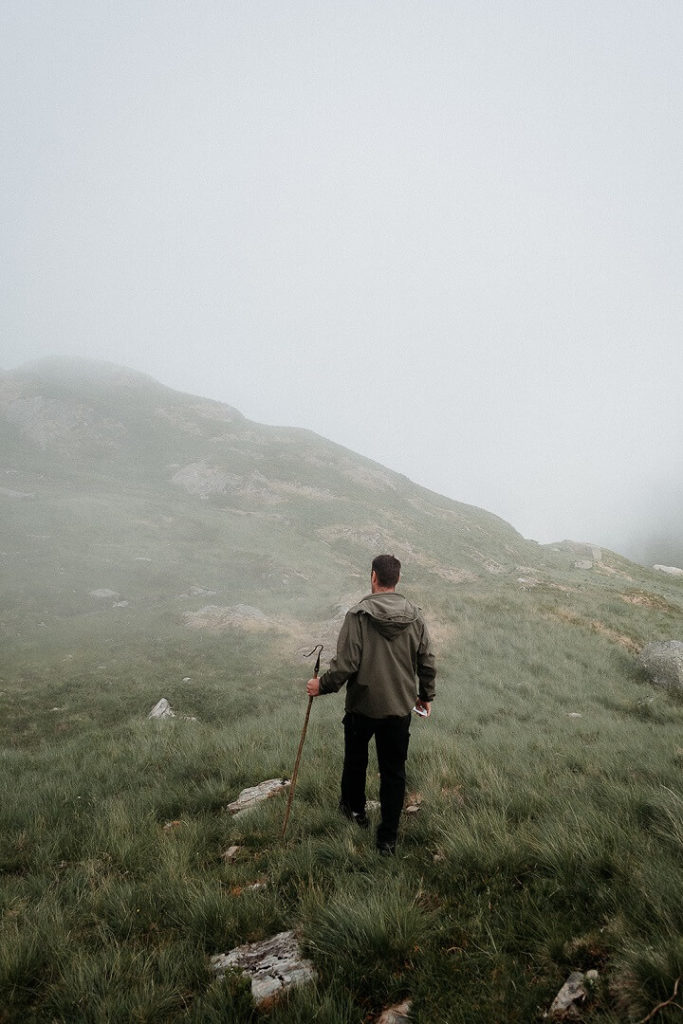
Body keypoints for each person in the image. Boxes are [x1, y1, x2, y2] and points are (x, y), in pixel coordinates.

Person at [306, 554, 436, 856]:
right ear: (397, 579)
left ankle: (355, 813)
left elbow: (346, 664)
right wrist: (425, 696)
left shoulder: (358, 615)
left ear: (373, 577)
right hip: (399, 708)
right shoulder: (415, 616)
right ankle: (387, 839)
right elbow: (427, 661)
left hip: (362, 706)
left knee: (355, 761)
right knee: (394, 771)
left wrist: (321, 685)